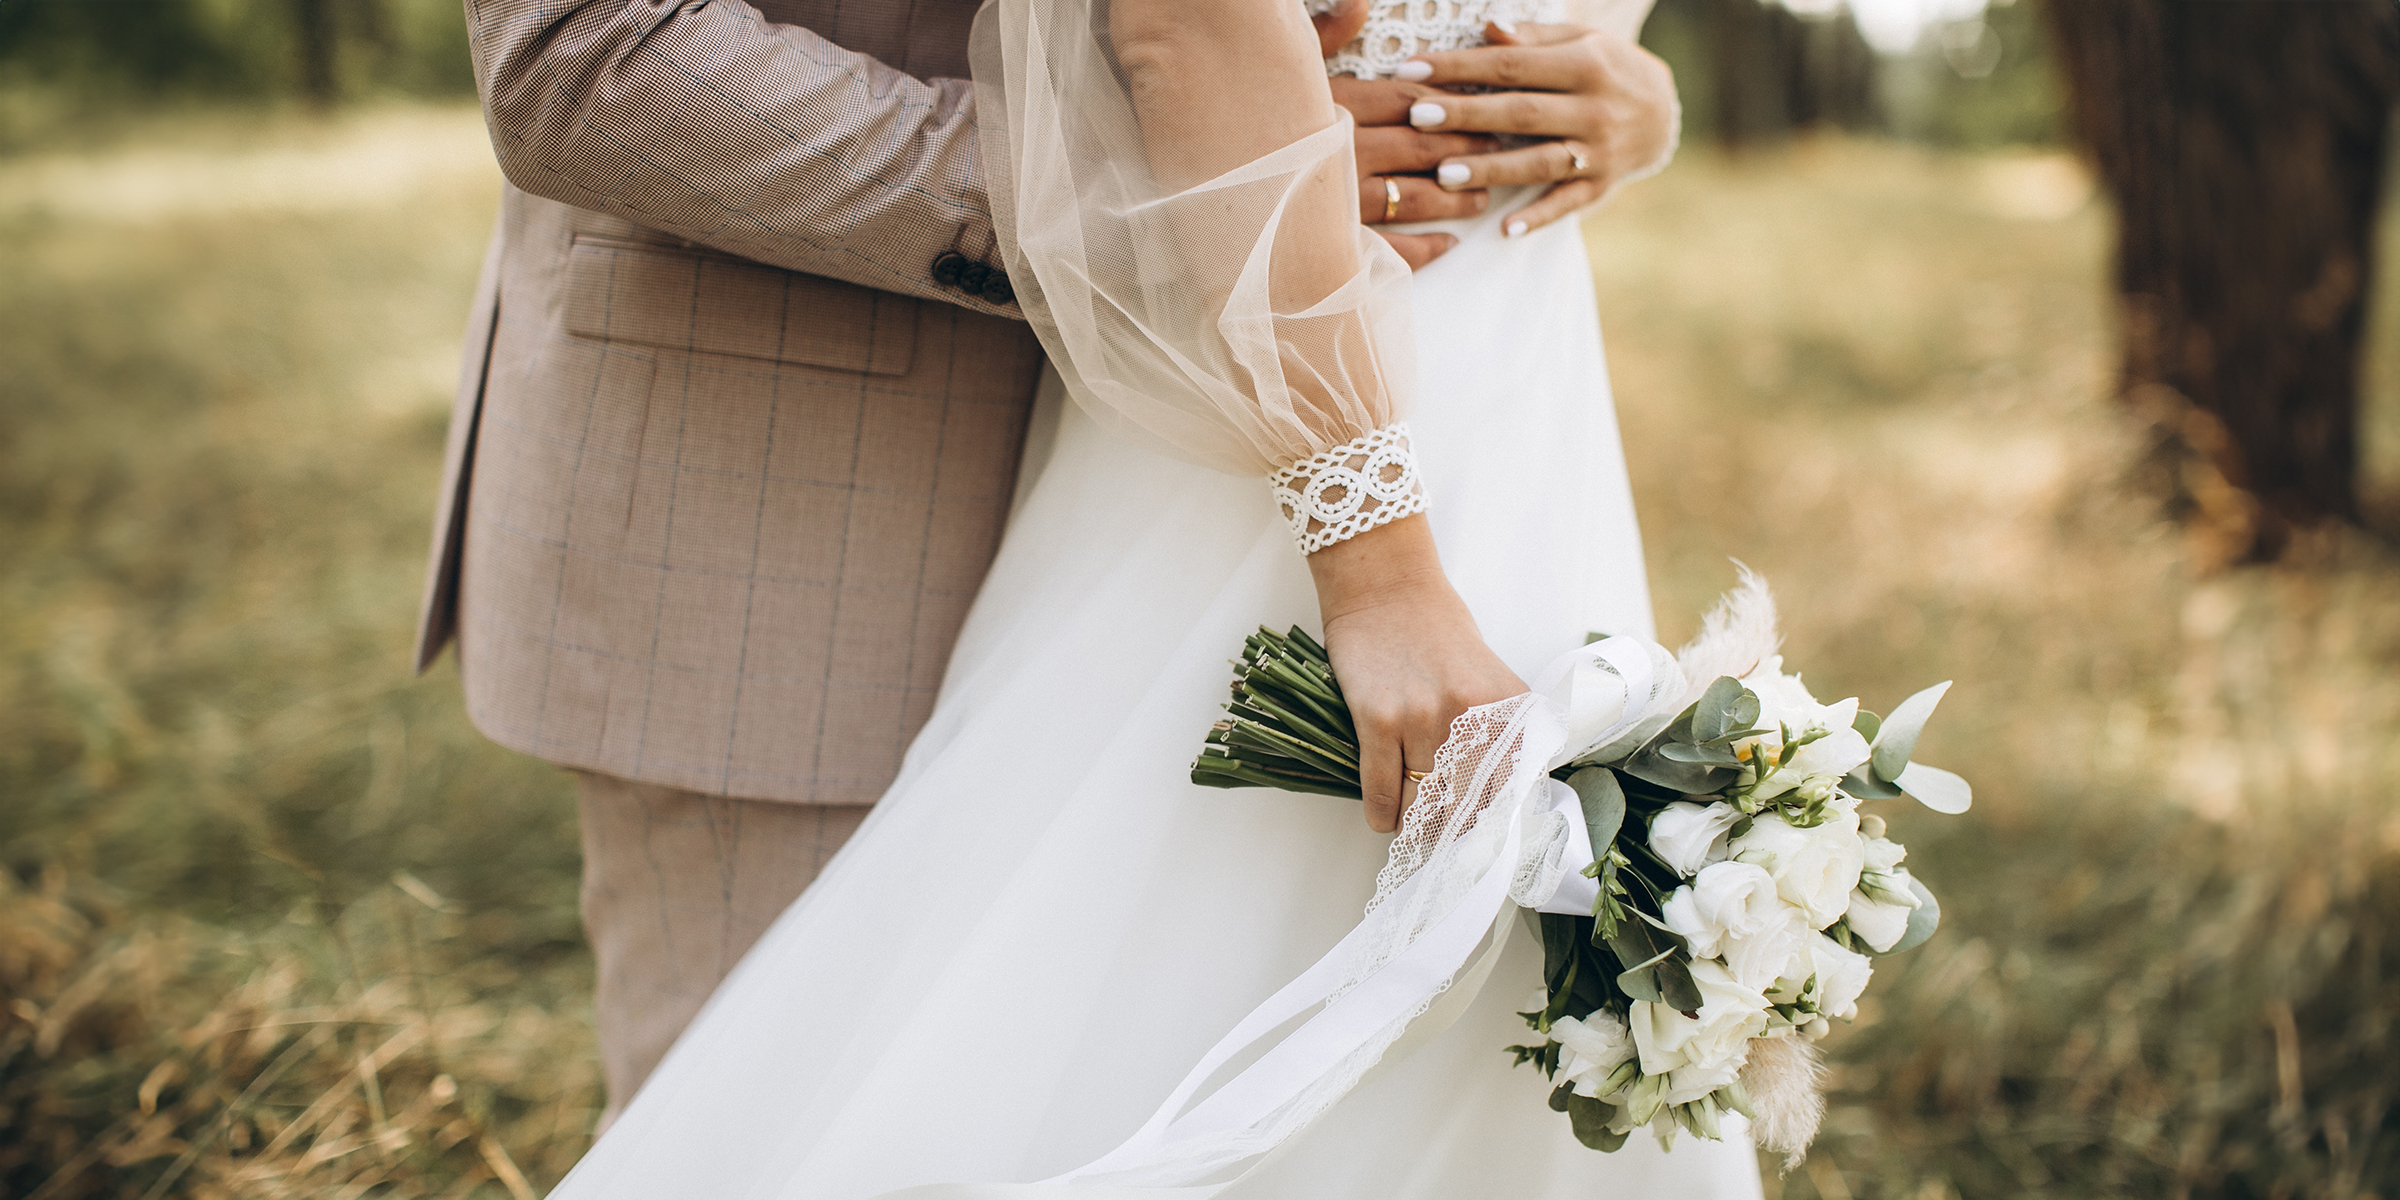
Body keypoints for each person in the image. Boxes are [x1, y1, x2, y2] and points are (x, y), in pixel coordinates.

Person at [533, 0, 1765, 1195]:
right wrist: (1377, 557)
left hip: (1508, 400)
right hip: (1259, 398)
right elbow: (1190, 30)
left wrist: (1626, 92)